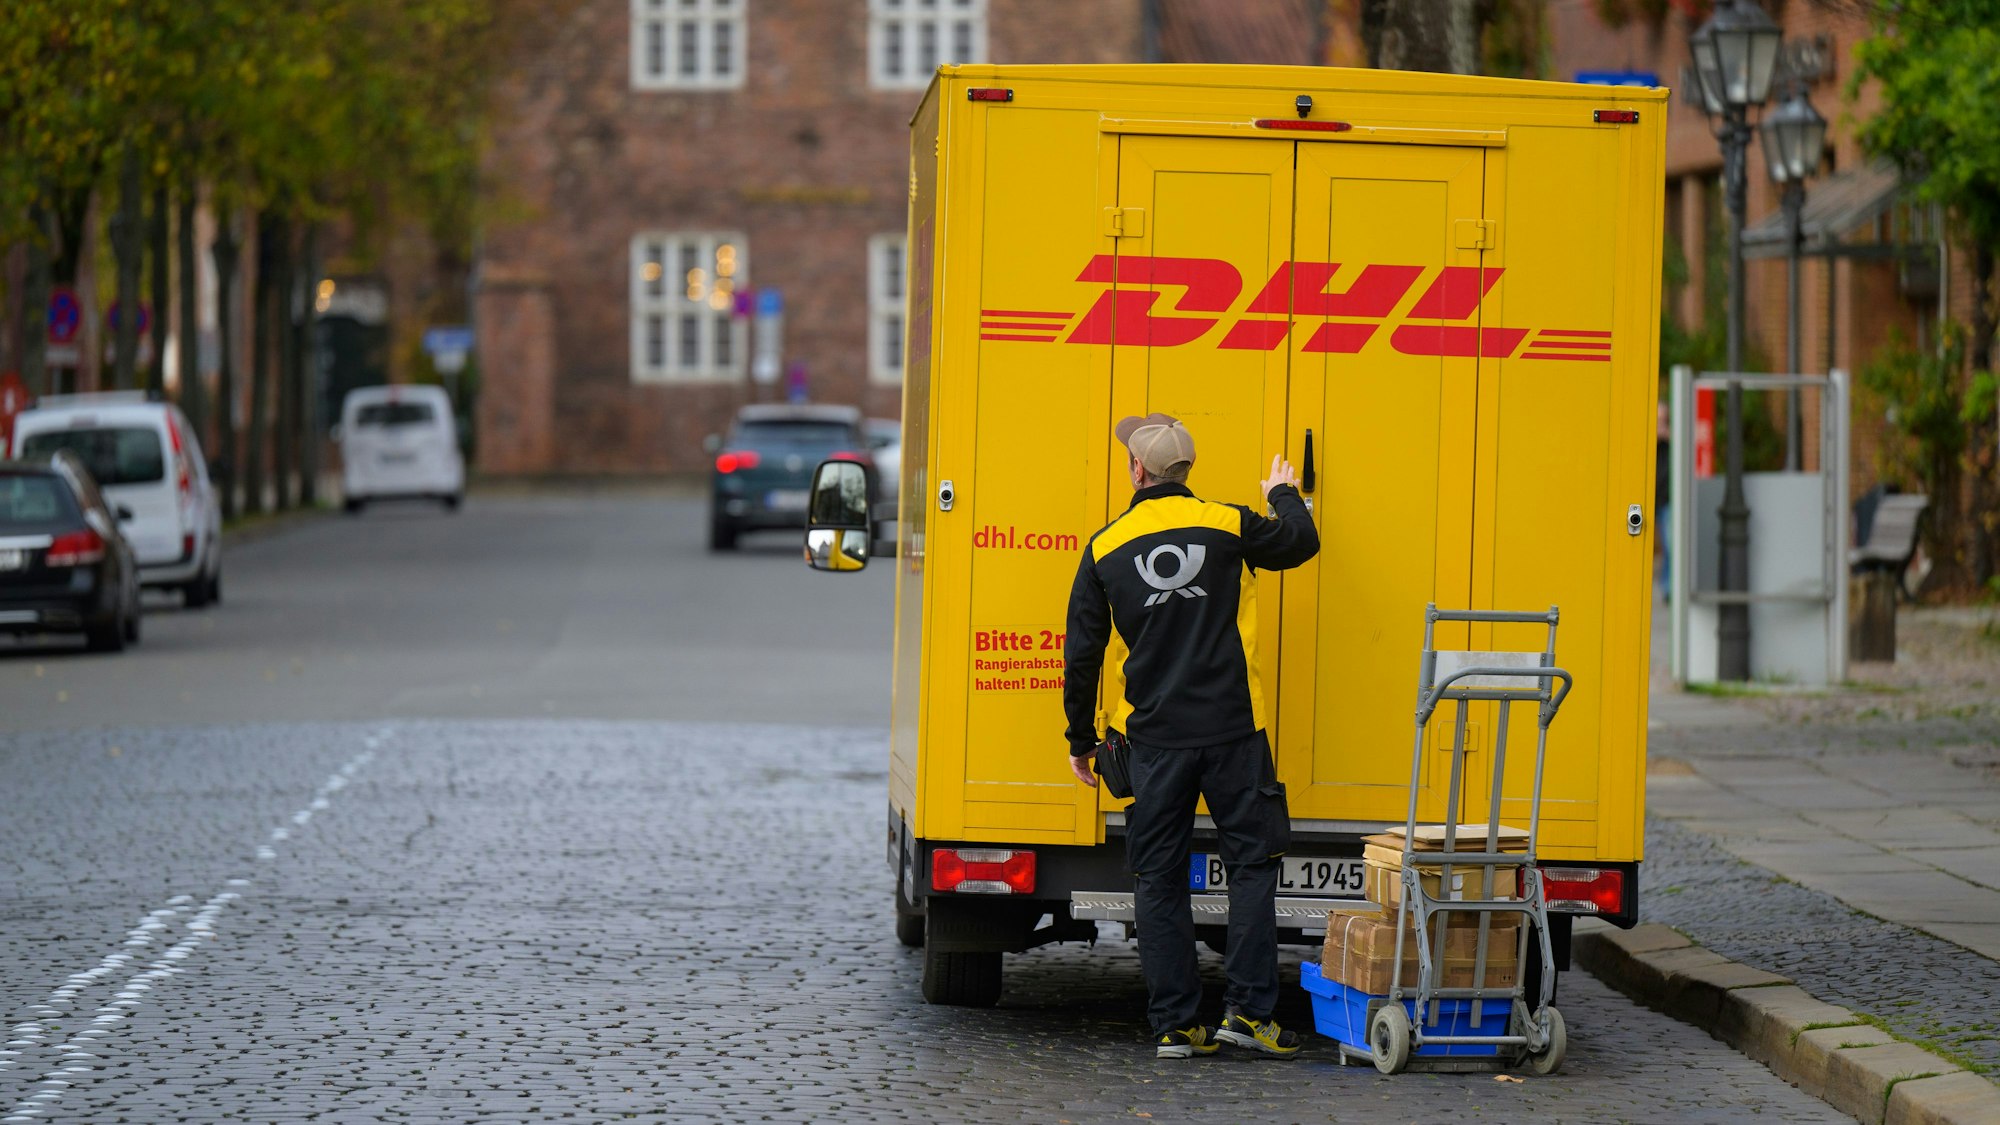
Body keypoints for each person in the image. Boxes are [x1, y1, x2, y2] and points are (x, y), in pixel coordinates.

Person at [1061, 413, 1319, 1060]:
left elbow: (1082, 655)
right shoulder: (1229, 524)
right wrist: (1283, 491)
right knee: (1252, 868)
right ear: (1185, 471)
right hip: (1235, 729)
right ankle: (1251, 1015)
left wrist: (1081, 739)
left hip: (1151, 738)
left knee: (1158, 877)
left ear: (1137, 471)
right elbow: (1300, 541)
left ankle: (1175, 1023)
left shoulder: (1103, 549)